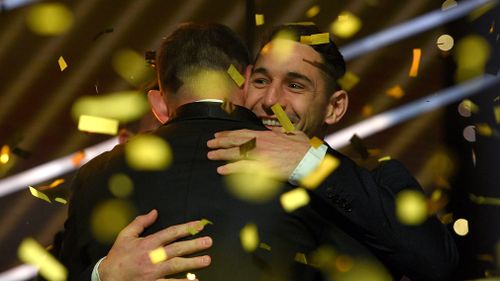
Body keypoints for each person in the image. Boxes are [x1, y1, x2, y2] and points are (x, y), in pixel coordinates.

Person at [57, 22, 316, 281]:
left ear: (158, 104)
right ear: (248, 81)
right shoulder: (301, 165)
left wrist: (102, 275)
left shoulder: (95, 175)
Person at [206, 24, 459, 280]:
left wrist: (313, 166)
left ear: (334, 107)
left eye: (295, 85)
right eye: (261, 81)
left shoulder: (381, 180)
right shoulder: (210, 167)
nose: (271, 100)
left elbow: (436, 262)